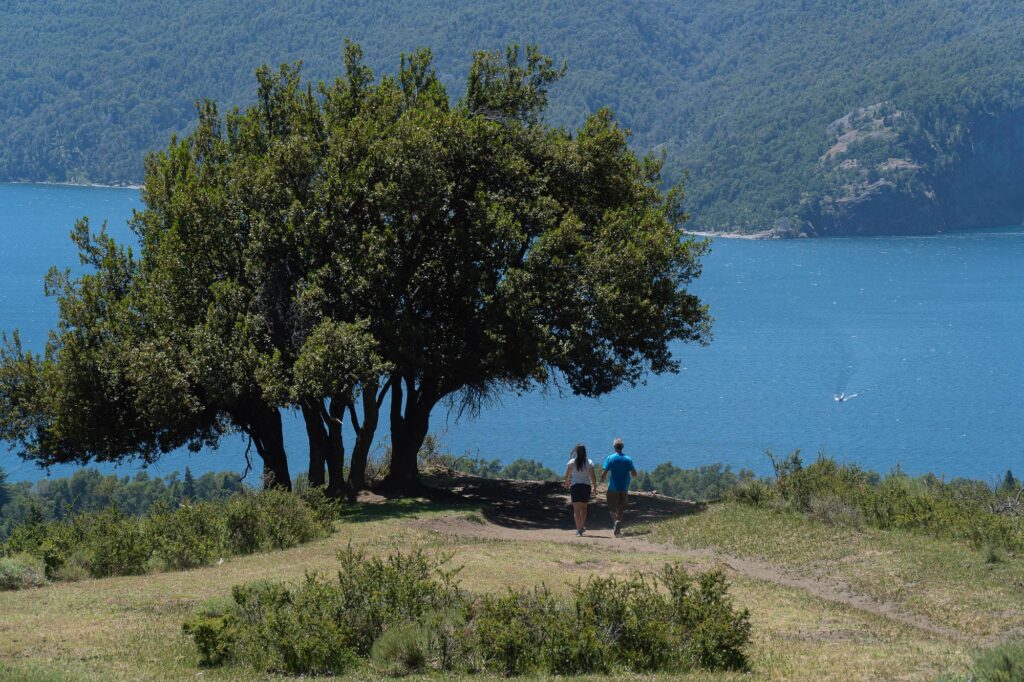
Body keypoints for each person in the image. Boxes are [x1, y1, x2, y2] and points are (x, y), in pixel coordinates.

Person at [600, 437, 636, 536]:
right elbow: (634, 473)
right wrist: (633, 475)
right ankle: (618, 525)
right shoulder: (628, 459)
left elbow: (605, 471)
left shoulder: (610, 458)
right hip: (624, 487)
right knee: (621, 508)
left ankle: (616, 522)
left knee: (611, 508)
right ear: (622, 447)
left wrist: (602, 478)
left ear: (614, 447)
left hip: (613, 487)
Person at [564, 444, 597, 536]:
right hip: (586, 487)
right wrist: (594, 487)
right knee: (584, 509)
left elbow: (567, 476)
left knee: (576, 510)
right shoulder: (589, 462)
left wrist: (567, 483)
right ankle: (581, 527)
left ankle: (579, 529)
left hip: (575, 487)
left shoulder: (572, 462)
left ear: (577, 452)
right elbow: (593, 477)